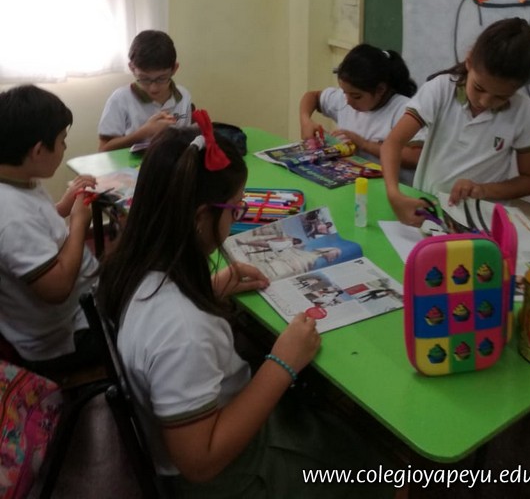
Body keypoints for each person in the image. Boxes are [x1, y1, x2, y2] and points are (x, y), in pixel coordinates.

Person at [97, 112, 398, 498]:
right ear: (201, 218)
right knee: (382, 470)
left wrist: (207, 290)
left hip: (195, 431)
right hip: (231, 477)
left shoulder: (132, 268)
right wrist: (283, 362)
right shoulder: (184, 330)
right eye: (235, 209)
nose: (236, 217)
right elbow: (200, 462)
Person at [381, 17, 530, 226]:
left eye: (501, 97)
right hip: (429, 209)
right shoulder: (440, 90)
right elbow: (393, 143)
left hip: (482, 221)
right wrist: (394, 194)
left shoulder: (525, 113)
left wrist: (483, 189)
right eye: (479, 88)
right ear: (469, 61)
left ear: (519, 87)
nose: (485, 101)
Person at [0, 85, 100, 378]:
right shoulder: (11, 216)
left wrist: (65, 206)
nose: (65, 147)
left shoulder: (18, 178)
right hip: (64, 340)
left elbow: (36, 225)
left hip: (68, 314)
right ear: (38, 150)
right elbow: (57, 289)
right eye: (62, 141)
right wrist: (79, 222)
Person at [299, 44, 423, 184]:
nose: (348, 101)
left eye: (356, 96)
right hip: (354, 183)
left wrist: (365, 144)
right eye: (344, 92)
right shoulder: (346, 99)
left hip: (392, 188)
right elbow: (312, 97)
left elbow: (415, 157)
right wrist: (305, 121)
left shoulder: (404, 110)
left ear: (380, 89)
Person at [98, 29, 194, 151]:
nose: (153, 88)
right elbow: (103, 149)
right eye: (144, 79)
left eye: (161, 78)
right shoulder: (120, 99)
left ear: (174, 69)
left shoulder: (183, 96)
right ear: (132, 68)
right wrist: (144, 132)